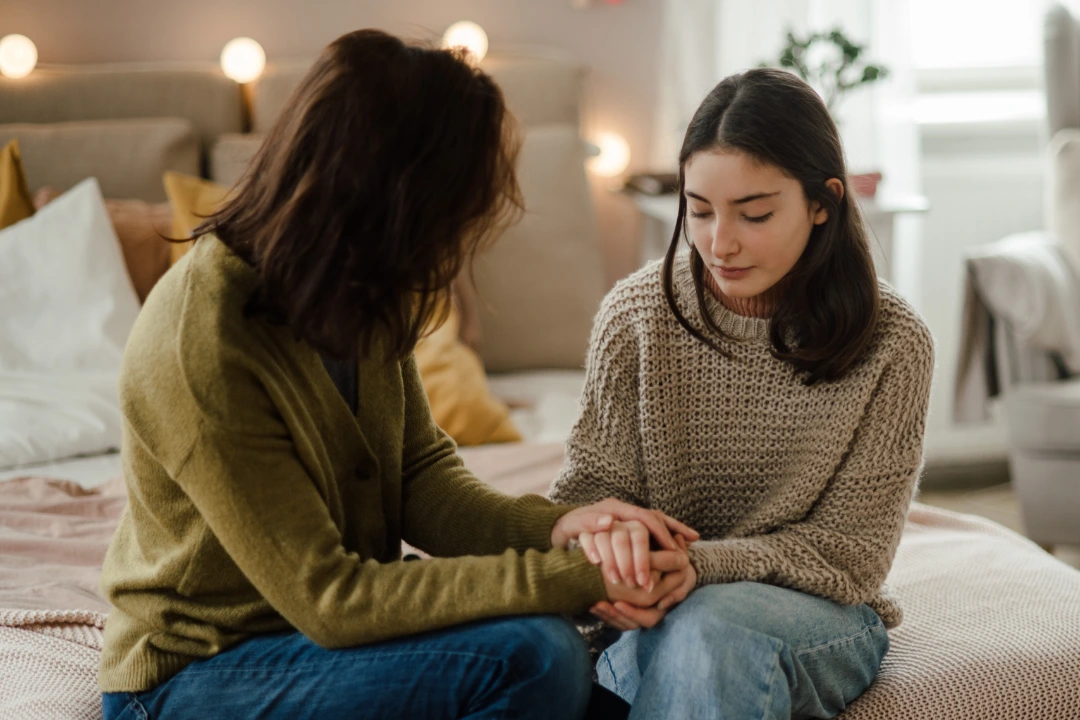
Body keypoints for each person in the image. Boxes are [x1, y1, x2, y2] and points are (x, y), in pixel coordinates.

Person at [98, 29, 700, 720]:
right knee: (536, 655)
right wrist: (570, 579)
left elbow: (422, 482)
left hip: (322, 641)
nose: (454, 243)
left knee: (604, 695)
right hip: (198, 673)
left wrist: (566, 528)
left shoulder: (363, 292)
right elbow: (333, 599)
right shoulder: (201, 340)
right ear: (391, 201)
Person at [549, 67, 935, 720]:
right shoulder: (636, 316)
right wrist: (612, 554)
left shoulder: (893, 342)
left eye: (754, 215)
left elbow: (850, 556)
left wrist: (701, 566)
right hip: (659, 600)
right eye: (698, 211)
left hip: (815, 611)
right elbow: (588, 498)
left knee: (709, 631)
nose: (719, 243)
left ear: (823, 202)